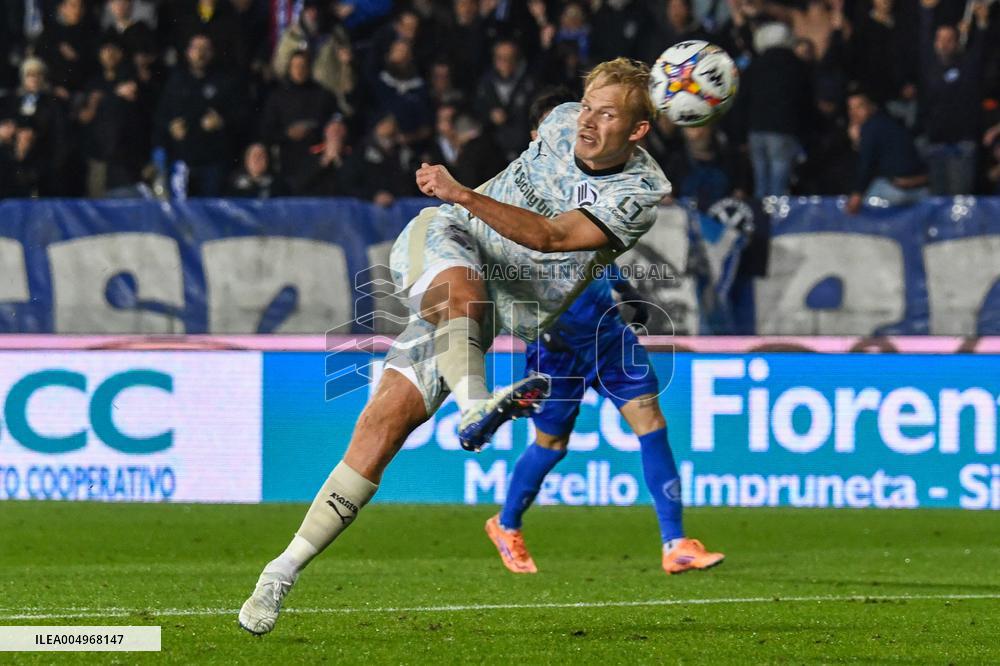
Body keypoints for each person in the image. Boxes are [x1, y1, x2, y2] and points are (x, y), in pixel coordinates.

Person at [238, 57, 671, 635]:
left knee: (380, 429)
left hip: (492, 307)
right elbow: (540, 159)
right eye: (588, 104)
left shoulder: (640, 191)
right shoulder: (564, 119)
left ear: (638, 130)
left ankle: (280, 572)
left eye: (608, 113)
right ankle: (475, 406)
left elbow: (554, 236)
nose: (588, 120)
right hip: (446, 238)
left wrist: (463, 190)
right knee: (464, 293)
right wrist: (457, 201)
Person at [484, 91, 723, 575]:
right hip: (556, 343)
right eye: (564, 123)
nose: (579, 130)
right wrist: (536, 324)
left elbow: (591, 251)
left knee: (651, 423)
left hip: (605, 333)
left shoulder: (589, 185)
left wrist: (626, 290)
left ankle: (675, 543)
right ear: (537, 137)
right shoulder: (520, 194)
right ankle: (506, 524)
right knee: (552, 445)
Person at [845, 90, 927, 214]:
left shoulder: (871, 127)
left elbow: (866, 166)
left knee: (863, 200)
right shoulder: (890, 122)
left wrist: (857, 195)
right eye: (851, 109)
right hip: (922, 191)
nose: (854, 113)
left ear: (872, 107)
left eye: (859, 107)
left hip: (900, 191)